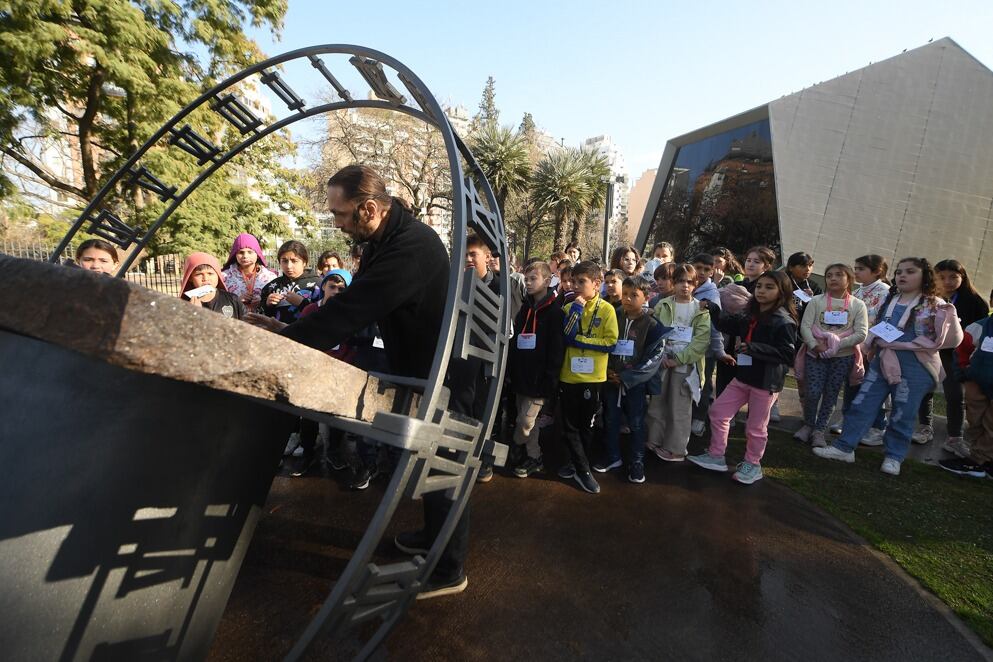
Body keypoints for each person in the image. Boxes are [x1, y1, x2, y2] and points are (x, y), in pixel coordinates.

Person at [256, 164, 463, 598]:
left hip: (441, 373)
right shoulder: (384, 239)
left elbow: (353, 310)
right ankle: (433, 537)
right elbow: (349, 301)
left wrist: (286, 343)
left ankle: (448, 569)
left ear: (368, 208)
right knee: (429, 463)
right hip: (417, 366)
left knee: (442, 467)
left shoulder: (411, 247)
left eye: (340, 214)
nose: (336, 223)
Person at [814, 258, 963, 476]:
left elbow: (953, 339)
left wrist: (914, 345)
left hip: (915, 368)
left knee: (903, 412)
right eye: (899, 271)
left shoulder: (936, 304)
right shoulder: (891, 298)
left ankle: (894, 457)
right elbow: (882, 326)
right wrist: (869, 344)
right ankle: (844, 447)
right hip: (882, 362)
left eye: (910, 272)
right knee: (862, 403)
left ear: (925, 276)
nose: (902, 275)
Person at [689, 271, 798, 485]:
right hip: (744, 377)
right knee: (719, 412)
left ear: (781, 292)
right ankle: (716, 455)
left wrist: (754, 348)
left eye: (769, 287)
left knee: (755, 427)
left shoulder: (783, 321)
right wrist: (712, 308)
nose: (762, 291)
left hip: (765, 382)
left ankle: (753, 464)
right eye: (759, 286)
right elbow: (727, 324)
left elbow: (787, 354)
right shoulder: (750, 313)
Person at [594, 274, 666, 483]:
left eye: (634, 295)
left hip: (634, 385)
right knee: (610, 419)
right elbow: (603, 343)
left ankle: (636, 461)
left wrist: (627, 377)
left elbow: (653, 358)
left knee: (636, 423)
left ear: (646, 297)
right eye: (625, 294)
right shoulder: (613, 315)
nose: (627, 298)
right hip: (610, 381)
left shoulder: (652, 325)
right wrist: (607, 370)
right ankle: (612, 456)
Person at [557, 260, 619, 494]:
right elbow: (566, 335)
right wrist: (575, 310)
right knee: (570, 426)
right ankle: (582, 470)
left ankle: (578, 462)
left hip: (593, 378)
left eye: (581, 281)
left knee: (587, 426)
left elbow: (610, 342)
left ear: (596, 283)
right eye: (573, 281)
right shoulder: (569, 307)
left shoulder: (607, 310)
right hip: (569, 376)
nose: (575, 285)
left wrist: (583, 341)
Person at [794, 264, 868, 448]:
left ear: (849, 279)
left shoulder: (857, 305)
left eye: (838, 275)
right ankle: (808, 424)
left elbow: (861, 333)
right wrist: (815, 345)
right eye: (829, 275)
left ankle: (819, 430)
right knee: (812, 392)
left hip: (842, 357)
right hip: (815, 355)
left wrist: (835, 346)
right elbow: (805, 326)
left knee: (831, 394)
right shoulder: (816, 301)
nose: (833, 278)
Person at [920, 259, 989, 453]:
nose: (947, 281)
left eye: (953, 277)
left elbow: (976, 333)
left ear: (963, 278)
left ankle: (954, 437)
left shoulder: (974, 302)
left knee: (955, 395)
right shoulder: (927, 298)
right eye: (941, 277)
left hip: (955, 355)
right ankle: (925, 426)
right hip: (930, 351)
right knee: (926, 388)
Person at [646, 264, 711, 461]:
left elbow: (701, 342)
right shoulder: (663, 304)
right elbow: (654, 332)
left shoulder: (701, 310)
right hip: (663, 360)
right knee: (657, 402)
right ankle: (654, 439)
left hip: (685, 365)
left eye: (689, 282)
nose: (685, 286)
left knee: (679, 406)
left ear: (695, 284)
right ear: (673, 283)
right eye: (680, 281)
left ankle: (676, 448)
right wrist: (662, 355)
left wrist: (679, 359)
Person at [507, 261, 565, 478]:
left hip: (540, 381)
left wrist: (550, 381)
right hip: (522, 376)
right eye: (526, 279)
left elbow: (556, 351)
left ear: (547, 281)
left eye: (534, 279)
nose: (528, 283)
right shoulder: (524, 308)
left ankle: (515, 444)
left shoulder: (555, 313)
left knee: (525, 422)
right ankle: (535, 457)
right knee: (528, 423)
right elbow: (516, 342)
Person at [839, 254, 892, 441]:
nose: (856, 272)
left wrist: (870, 344)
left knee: (871, 386)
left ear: (877, 271)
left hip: (871, 347)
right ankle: (848, 418)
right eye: (856, 268)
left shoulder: (886, 291)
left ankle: (878, 425)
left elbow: (883, 320)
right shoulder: (860, 290)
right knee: (852, 382)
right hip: (854, 344)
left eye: (861, 269)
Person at [939, 312, 993, 478]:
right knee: (975, 420)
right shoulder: (980, 326)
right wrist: (964, 374)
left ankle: (980, 460)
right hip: (976, 382)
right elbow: (962, 349)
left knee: (991, 424)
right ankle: (978, 456)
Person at [689, 253, 726, 437]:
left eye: (706, 269)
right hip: (687, 346)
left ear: (712, 271)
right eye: (698, 267)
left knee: (703, 384)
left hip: (707, 349)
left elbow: (715, 323)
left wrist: (718, 350)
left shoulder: (712, 293)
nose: (701, 272)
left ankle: (700, 417)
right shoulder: (685, 285)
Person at [259, 240, 320, 324]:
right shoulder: (271, 287)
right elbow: (261, 317)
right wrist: (267, 304)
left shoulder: (318, 285)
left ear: (304, 262)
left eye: (294, 261)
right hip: (277, 335)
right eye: (284, 261)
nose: (289, 266)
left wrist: (302, 303)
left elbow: (324, 316)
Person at [179, 252, 246, 320]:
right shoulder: (184, 304)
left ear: (218, 275)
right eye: (199, 274)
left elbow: (247, 326)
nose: (205, 278)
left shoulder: (232, 300)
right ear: (190, 278)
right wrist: (194, 314)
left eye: (210, 273)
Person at [221, 232, 277, 312]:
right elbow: (218, 304)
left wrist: (263, 302)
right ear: (235, 255)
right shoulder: (224, 277)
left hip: (262, 322)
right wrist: (237, 300)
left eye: (250, 252)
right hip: (235, 321)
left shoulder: (270, 277)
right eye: (241, 252)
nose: (245, 256)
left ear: (257, 254)